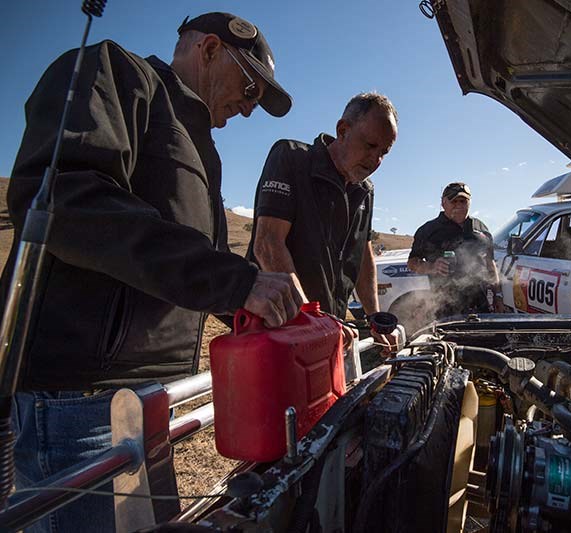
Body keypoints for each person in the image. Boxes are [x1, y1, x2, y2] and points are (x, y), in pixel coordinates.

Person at [1, 12, 303, 532]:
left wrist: (260, 315)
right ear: (209, 49)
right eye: (250, 86)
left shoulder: (197, 139)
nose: (250, 108)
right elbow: (67, 202)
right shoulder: (116, 73)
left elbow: (183, 266)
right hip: (81, 402)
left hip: (150, 403)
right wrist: (236, 282)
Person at [246, 93, 398, 348]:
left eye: (384, 152)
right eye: (370, 146)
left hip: (328, 328)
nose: (376, 160)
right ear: (343, 130)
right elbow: (268, 243)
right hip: (278, 327)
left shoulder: (364, 190)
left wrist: (373, 317)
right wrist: (309, 318)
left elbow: (362, 253)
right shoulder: (292, 159)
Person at [407, 182, 504, 319]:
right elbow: (412, 263)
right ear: (443, 202)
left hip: (481, 305)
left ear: (469, 202)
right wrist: (432, 267)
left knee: (483, 339)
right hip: (444, 306)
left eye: (463, 201)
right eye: (454, 201)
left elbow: (490, 263)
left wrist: (498, 296)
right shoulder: (428, 231)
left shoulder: (481, 228)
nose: (458, 206)